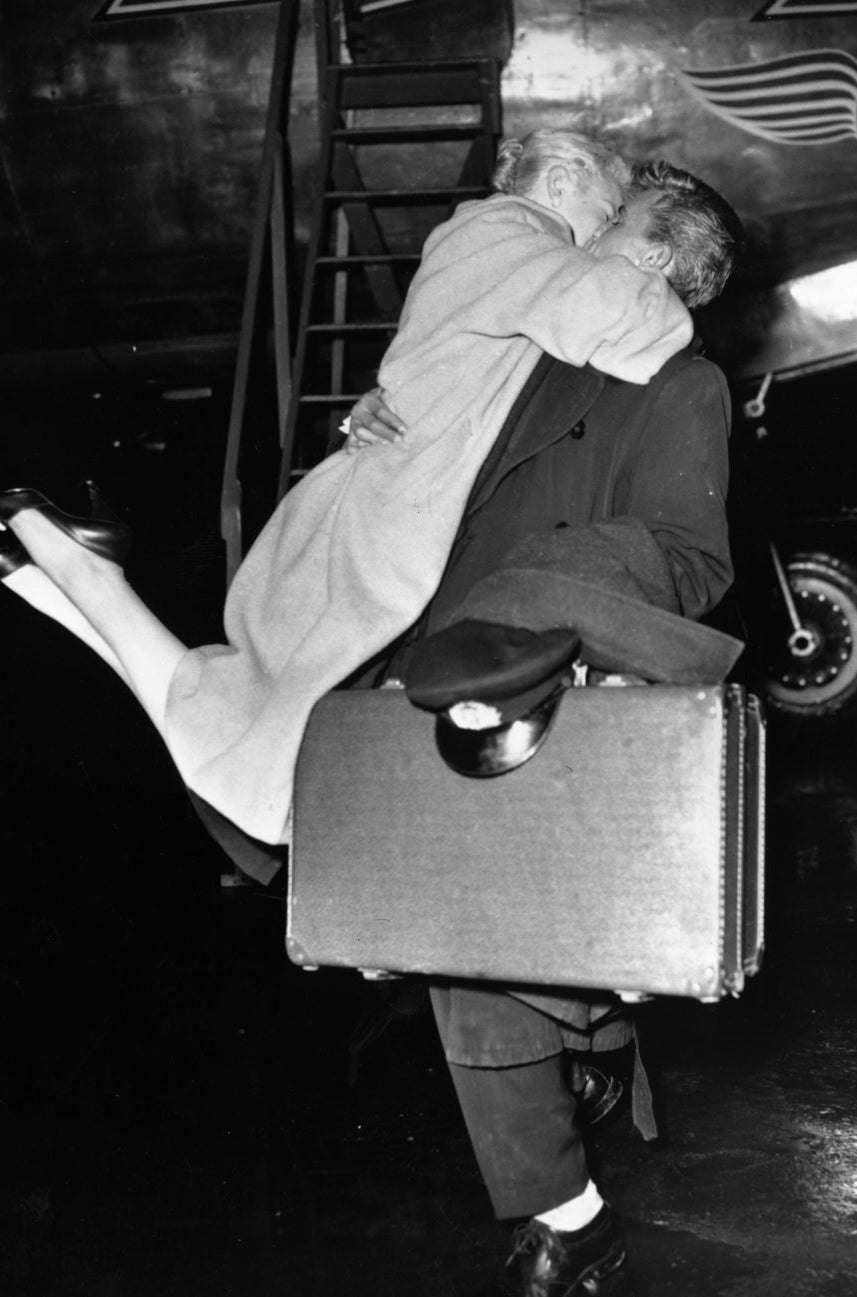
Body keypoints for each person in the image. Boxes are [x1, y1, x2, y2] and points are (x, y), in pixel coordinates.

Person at [0, 130, 692, 853]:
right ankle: (86, 575)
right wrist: (655, 284)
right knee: (259, 769)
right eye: (607, 210)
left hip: (387, 506)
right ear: (560, 184)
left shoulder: (510, 247)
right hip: (387, 519)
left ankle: (74, 578)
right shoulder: (509, 228)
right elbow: (645, 325)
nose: (605, 231)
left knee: (256, 741)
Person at [344, 158, 745, 1296]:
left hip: (563, 665)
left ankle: (569, 1216)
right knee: (479, 936)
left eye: (611, 222)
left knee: (481, 940)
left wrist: (545, 587)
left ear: (655, 259)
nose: (584, 228)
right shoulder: (530, 348)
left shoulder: (685, 383)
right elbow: (435, 461)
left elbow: (689, 555)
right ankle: (595, 1049)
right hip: (442, 651)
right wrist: (386, 419)